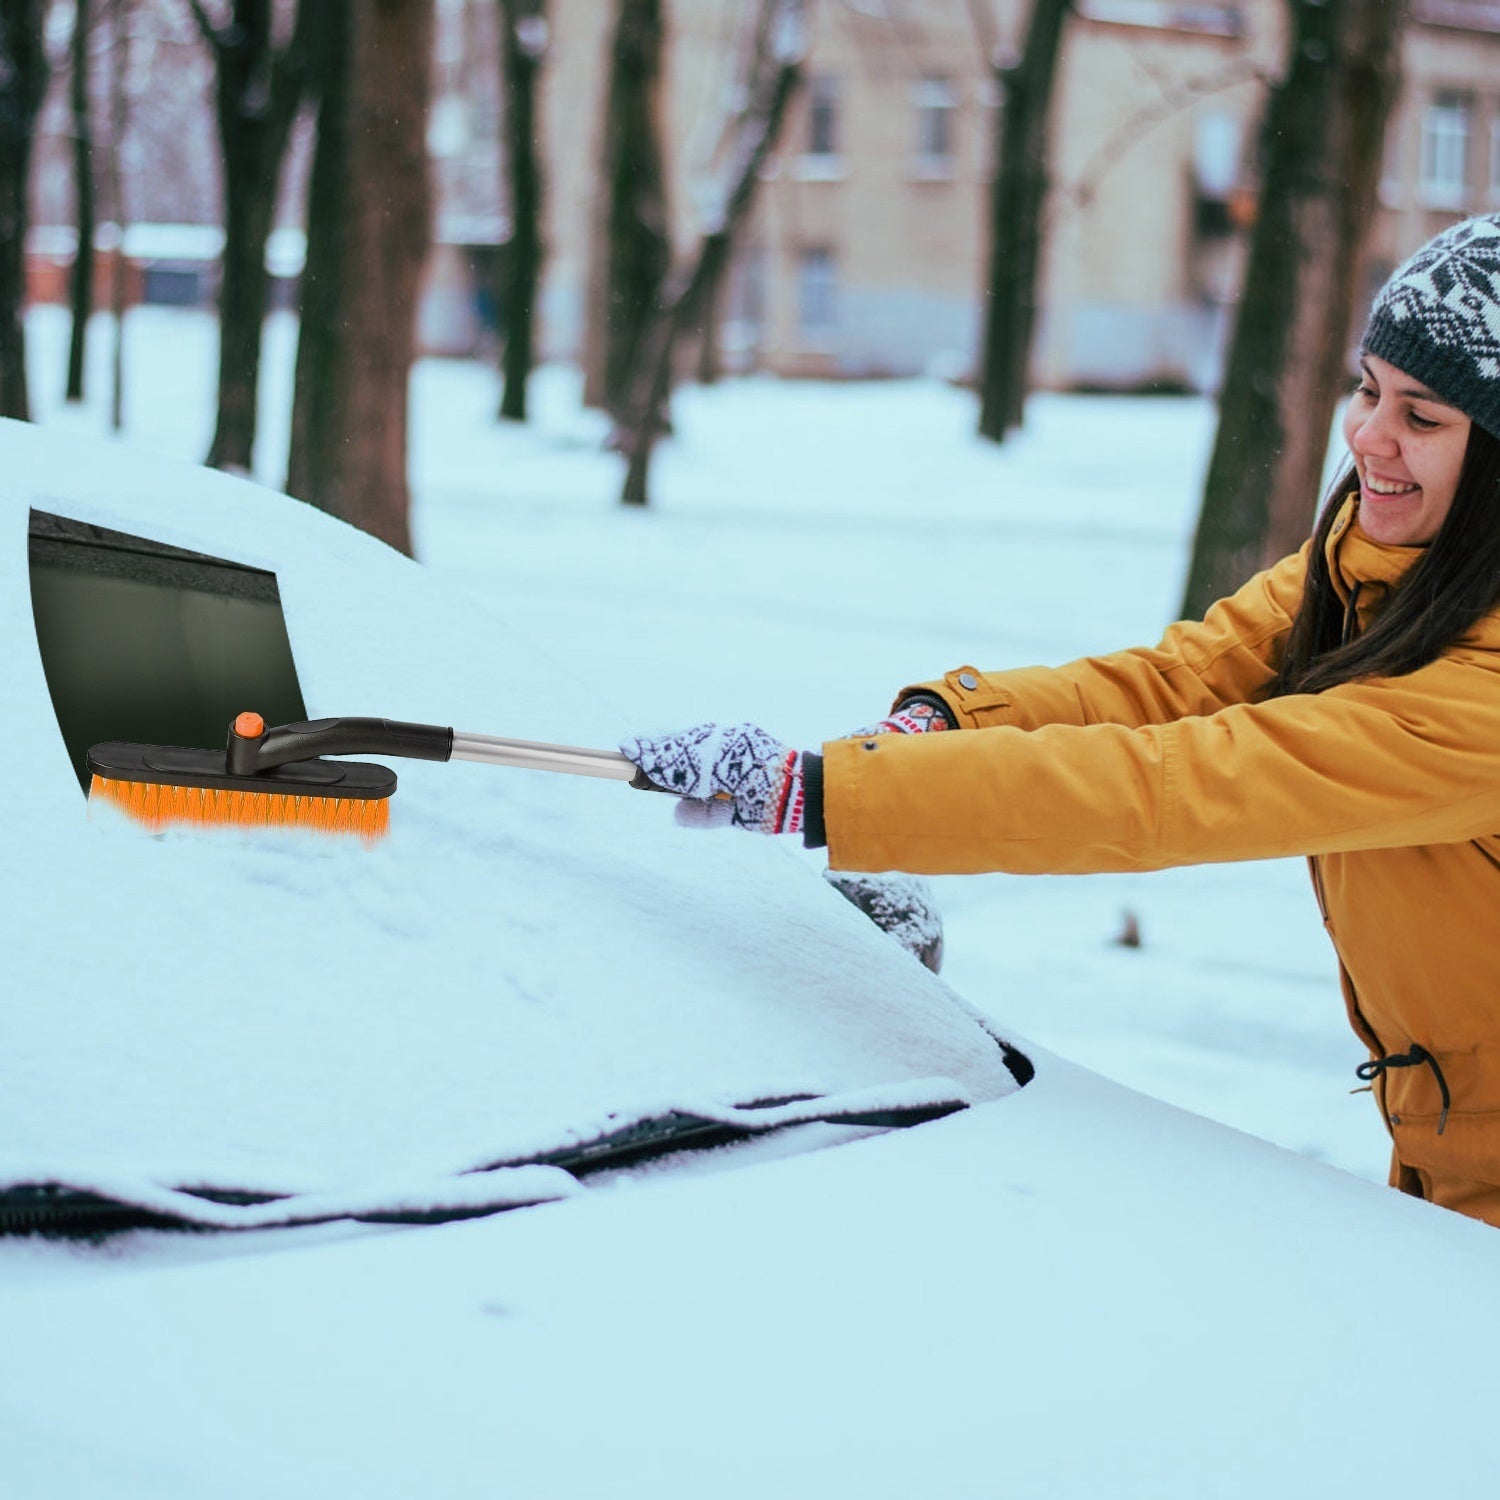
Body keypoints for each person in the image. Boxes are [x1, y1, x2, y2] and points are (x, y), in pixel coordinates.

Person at [622, 212, 1500, 1230]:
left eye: (1422, 418)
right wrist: (943, 721)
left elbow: (1175, 785)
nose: (1367, 438)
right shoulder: (1371, 569)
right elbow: (1176, 683)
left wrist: (824, 794)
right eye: (1368, 389)